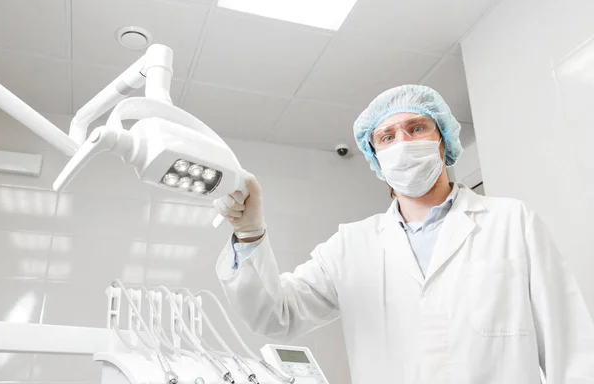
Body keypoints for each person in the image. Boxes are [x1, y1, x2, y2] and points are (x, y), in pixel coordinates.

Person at [213, 85, 594, 384]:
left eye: (416, 128)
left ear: (442, 138)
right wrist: (249, 235)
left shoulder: (512, 222)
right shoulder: (352, 246)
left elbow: (572, 347)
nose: (403, 143)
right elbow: (276, 316)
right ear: (375, 156)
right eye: (387, 136)